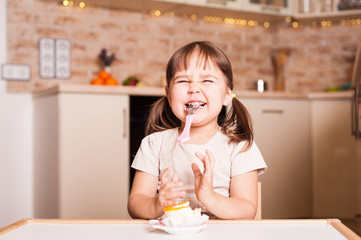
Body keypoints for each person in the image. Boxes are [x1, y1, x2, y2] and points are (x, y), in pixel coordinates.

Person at [128, 41, 267, 220]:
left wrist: (210, 198)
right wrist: (156, 205)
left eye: (207, 80)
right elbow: (136, 203)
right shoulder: (153, 144)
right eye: (183, 81)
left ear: (227, 95)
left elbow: (247, 209)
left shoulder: (240, 147)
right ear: (169, 95)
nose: (193, 88)